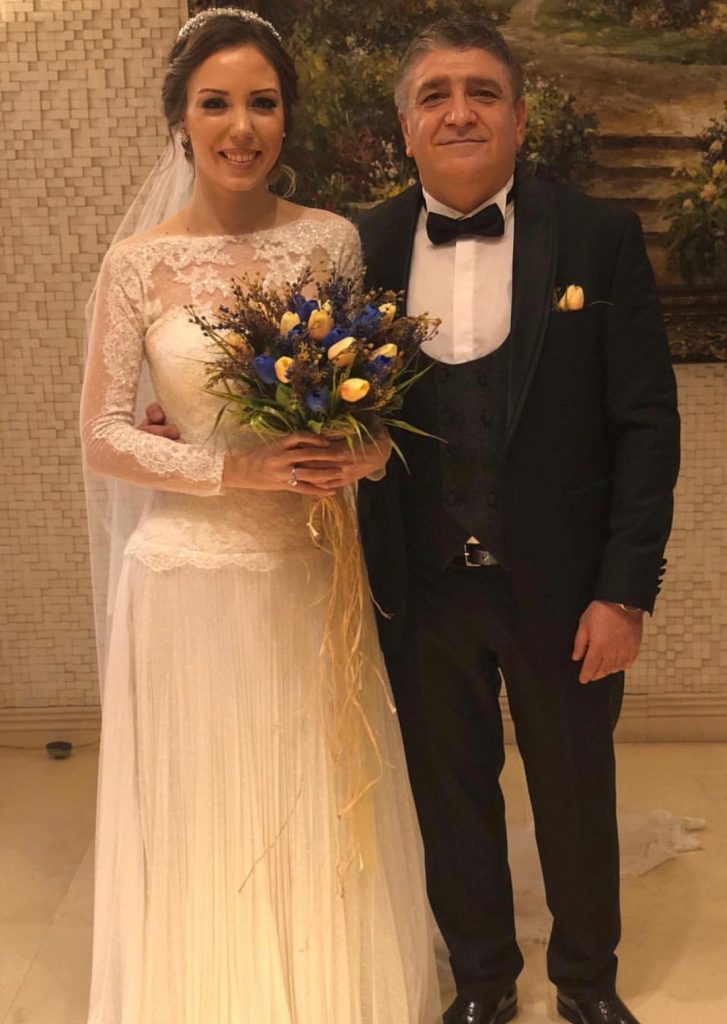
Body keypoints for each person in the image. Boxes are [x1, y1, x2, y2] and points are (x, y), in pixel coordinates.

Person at [80, 9, 439, 1023]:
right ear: (181, 121)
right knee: (204, 808)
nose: (240, 127)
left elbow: (372, 420)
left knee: (311, 797)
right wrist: (236, 471)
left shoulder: (329, 241)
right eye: (216, 104)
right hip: (184, 580)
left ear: (287, 117)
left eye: (262, 103)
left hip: (308, 573)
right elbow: (102, 437)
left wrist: (359, 454)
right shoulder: (135, 265)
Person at [355, 17, 681, 1024]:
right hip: (419, 585)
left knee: (575, 788)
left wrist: (623, 588)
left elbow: (644, 424)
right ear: (405, 125)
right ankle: (482, 981)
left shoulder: (596, 236)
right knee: (448, 791)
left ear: (519, 117)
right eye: (435, 94)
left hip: (563, 583)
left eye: (482, 92)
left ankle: (585, 981)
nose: (459, 112)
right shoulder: (356, 247)